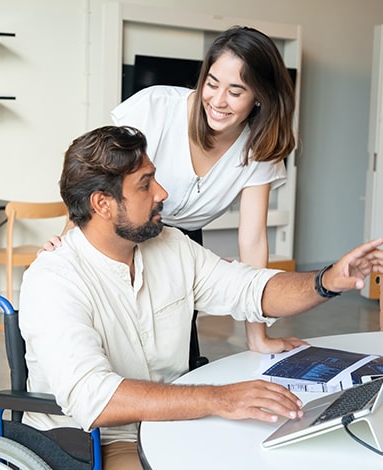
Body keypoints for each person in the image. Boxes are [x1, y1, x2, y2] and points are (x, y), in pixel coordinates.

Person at [20, 125, 383, 470]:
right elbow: (94, 397)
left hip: (177, 420)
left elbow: (251, 289)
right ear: (103, 203)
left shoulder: (171, 246)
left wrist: (328, 280)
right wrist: (219, 398)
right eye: (145, 184)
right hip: (103, 440)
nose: (162, 193)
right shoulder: (54, 280)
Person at [47, 26, 303, 356]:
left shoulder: (258, 148)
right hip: (120, 234)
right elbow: (96, 176)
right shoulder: (157, 107)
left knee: (177, 353)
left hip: (183, 248)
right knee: (106, 342)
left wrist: (257, 336)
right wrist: (68, 241)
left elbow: (252, 242)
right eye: (212, 83)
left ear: (260, 96)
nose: (218, 101)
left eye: (236, 92)